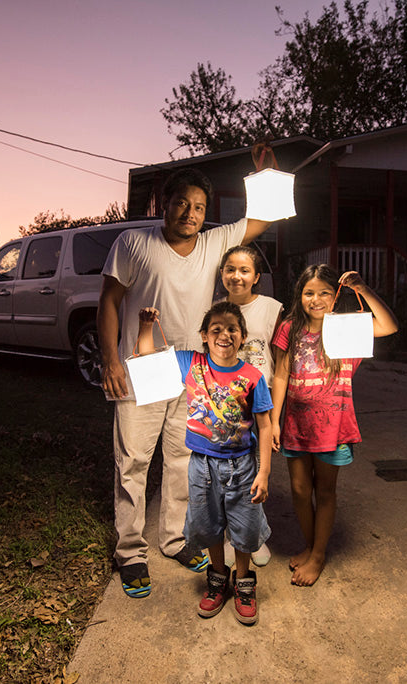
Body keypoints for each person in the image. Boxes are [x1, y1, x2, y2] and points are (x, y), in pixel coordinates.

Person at [97, 168, 272, 599]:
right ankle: (130, 551)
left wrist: (261, 170)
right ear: (164, 203)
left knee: (182, 462)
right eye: (181, 204)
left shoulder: (214, 242)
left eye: (198, 208)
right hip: (146, 365)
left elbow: (263, 217)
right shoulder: (134, 243)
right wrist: (110, 360)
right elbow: (109, 301)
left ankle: (174, 539)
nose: (190, 214)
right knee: (134, 462)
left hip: (193, 369)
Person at [136, 302, 273, 625]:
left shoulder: (253, 376)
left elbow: (265, 425)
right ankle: (217, 580)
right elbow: (145, 360)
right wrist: (145, 326)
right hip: (202, 466)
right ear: (204, 336)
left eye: (231, 329)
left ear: (242, 337)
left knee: (243, 526)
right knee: (209, 524)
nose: (224, 335)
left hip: (243, 466)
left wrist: (264, 471)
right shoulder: (190, 363)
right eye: (216, 329)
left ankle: (243, 583)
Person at [269, 265, 399, 586]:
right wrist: (274, 420)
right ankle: (312, 545)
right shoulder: (290, 328)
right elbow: (282, 374)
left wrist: (362, 289)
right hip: (296, 424)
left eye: (324, 292)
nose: (316, 299)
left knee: (324, 491)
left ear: (335, 295)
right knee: (300, 490)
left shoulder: (348, 327)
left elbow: (389, 325)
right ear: (299, 296)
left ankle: (317, 555)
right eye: (308, 292)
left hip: (334, 426)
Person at [216, 245, 283, 568]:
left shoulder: (272, 308)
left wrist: (276, 418)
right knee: (228, 474)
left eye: (244, 271)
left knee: (257, 471)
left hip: (259, 402)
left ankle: (255, 537)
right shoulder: (214, 308)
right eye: (230, 269)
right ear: (222, 274)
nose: (237, 276)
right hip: (224, 403)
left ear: (257, 277)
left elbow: (280, 361)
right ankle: (231, 537)